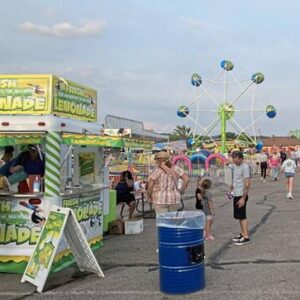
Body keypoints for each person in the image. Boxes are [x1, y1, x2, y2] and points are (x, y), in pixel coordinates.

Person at [228, 151, 251, 246]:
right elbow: (236, 179)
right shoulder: (234, 166)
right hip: (236, 193)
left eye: (237, 161)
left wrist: (243, 198)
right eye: (234, 160)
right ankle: (242, 233)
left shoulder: (245, 167)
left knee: (242, 216)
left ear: (241, 158)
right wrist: (231, 187)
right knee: (239, 216)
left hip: (241, 194)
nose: (235, 162)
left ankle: (246, 236)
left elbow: (247, 184)